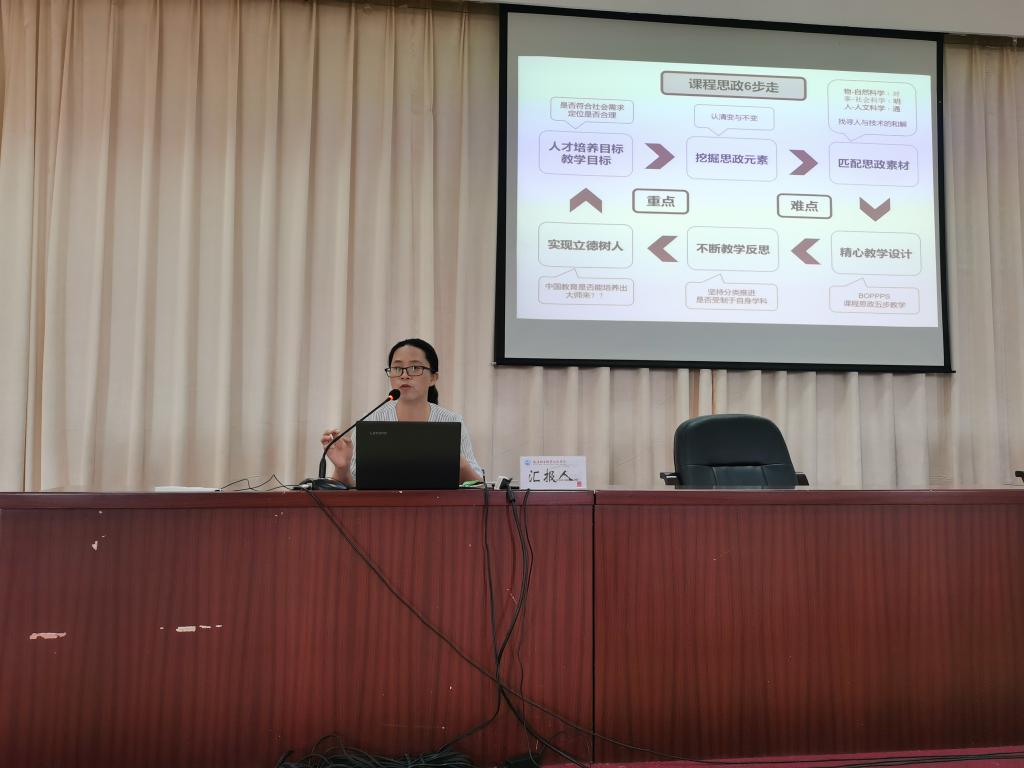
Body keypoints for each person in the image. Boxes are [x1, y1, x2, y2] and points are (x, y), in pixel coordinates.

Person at [321, 338, 484, 487]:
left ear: (433, 378)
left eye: (415, 368)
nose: (404, 375)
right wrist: (342, 468)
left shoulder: (451, 421)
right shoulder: (371, 420)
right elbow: (353, 486)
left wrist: (460, 464)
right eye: (398, 368)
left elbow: (478, 486)